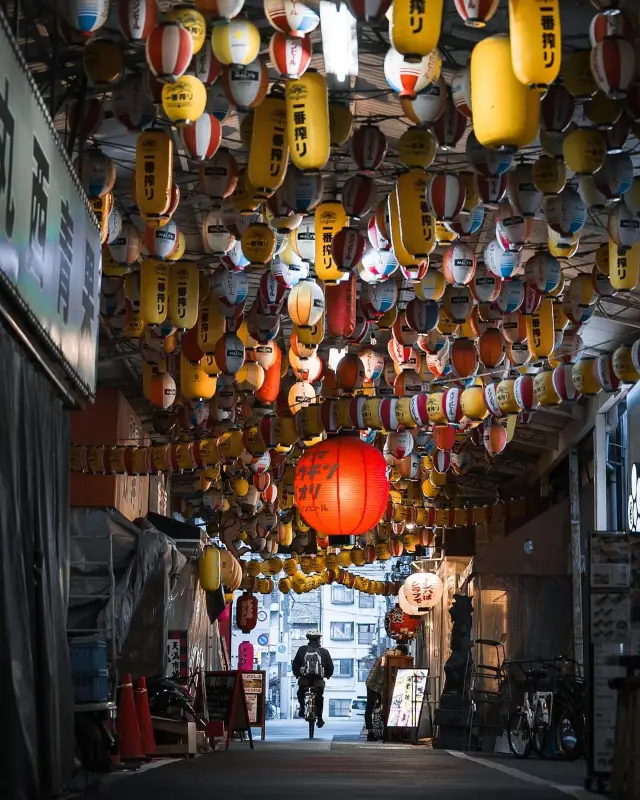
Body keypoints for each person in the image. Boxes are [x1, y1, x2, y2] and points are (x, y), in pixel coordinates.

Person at [364, 643, 409, 741]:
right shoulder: (386, 657)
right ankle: (370, 732)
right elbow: (386, 672)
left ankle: (384, 731)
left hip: (380, 686)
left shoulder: (390, 657)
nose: (402, 657)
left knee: (382, 708)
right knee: (370, 707)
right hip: (373, 685)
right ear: (399, 652)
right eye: (402, 655)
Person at [292, 630, 334, 727]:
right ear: (319, 639)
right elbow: (330, 666)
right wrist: (327, 675)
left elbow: (295, 664)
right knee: (319, 697)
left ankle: (302, 708)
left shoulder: (302, 650)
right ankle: (319, 718)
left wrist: (298, 674)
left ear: (308, 638)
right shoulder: (324, 651)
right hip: (318, 681)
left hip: (304, 680)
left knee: (300, 693)